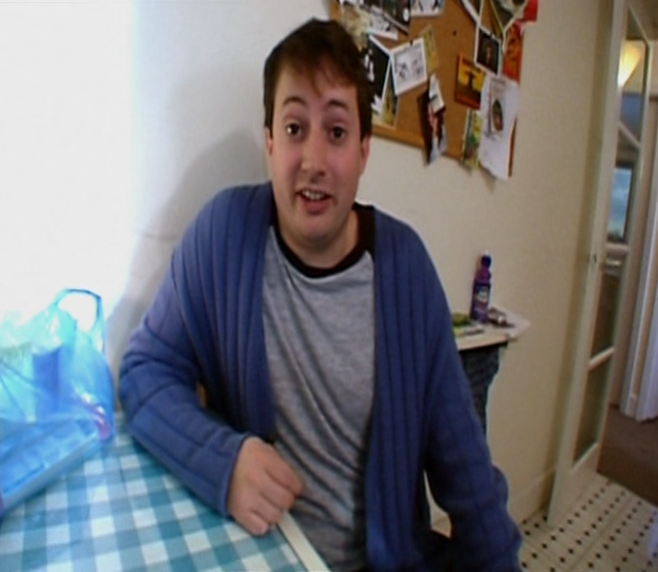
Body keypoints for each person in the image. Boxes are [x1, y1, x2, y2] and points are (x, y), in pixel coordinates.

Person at [119, 18, 522, 572]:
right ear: (269, 142)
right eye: (293, 128)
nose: (312, 161)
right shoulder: (222, 235)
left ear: (363, 151)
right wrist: (224, 462)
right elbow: (145, 371)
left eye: (335, 132)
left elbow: (468, 475)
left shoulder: (406, 270)